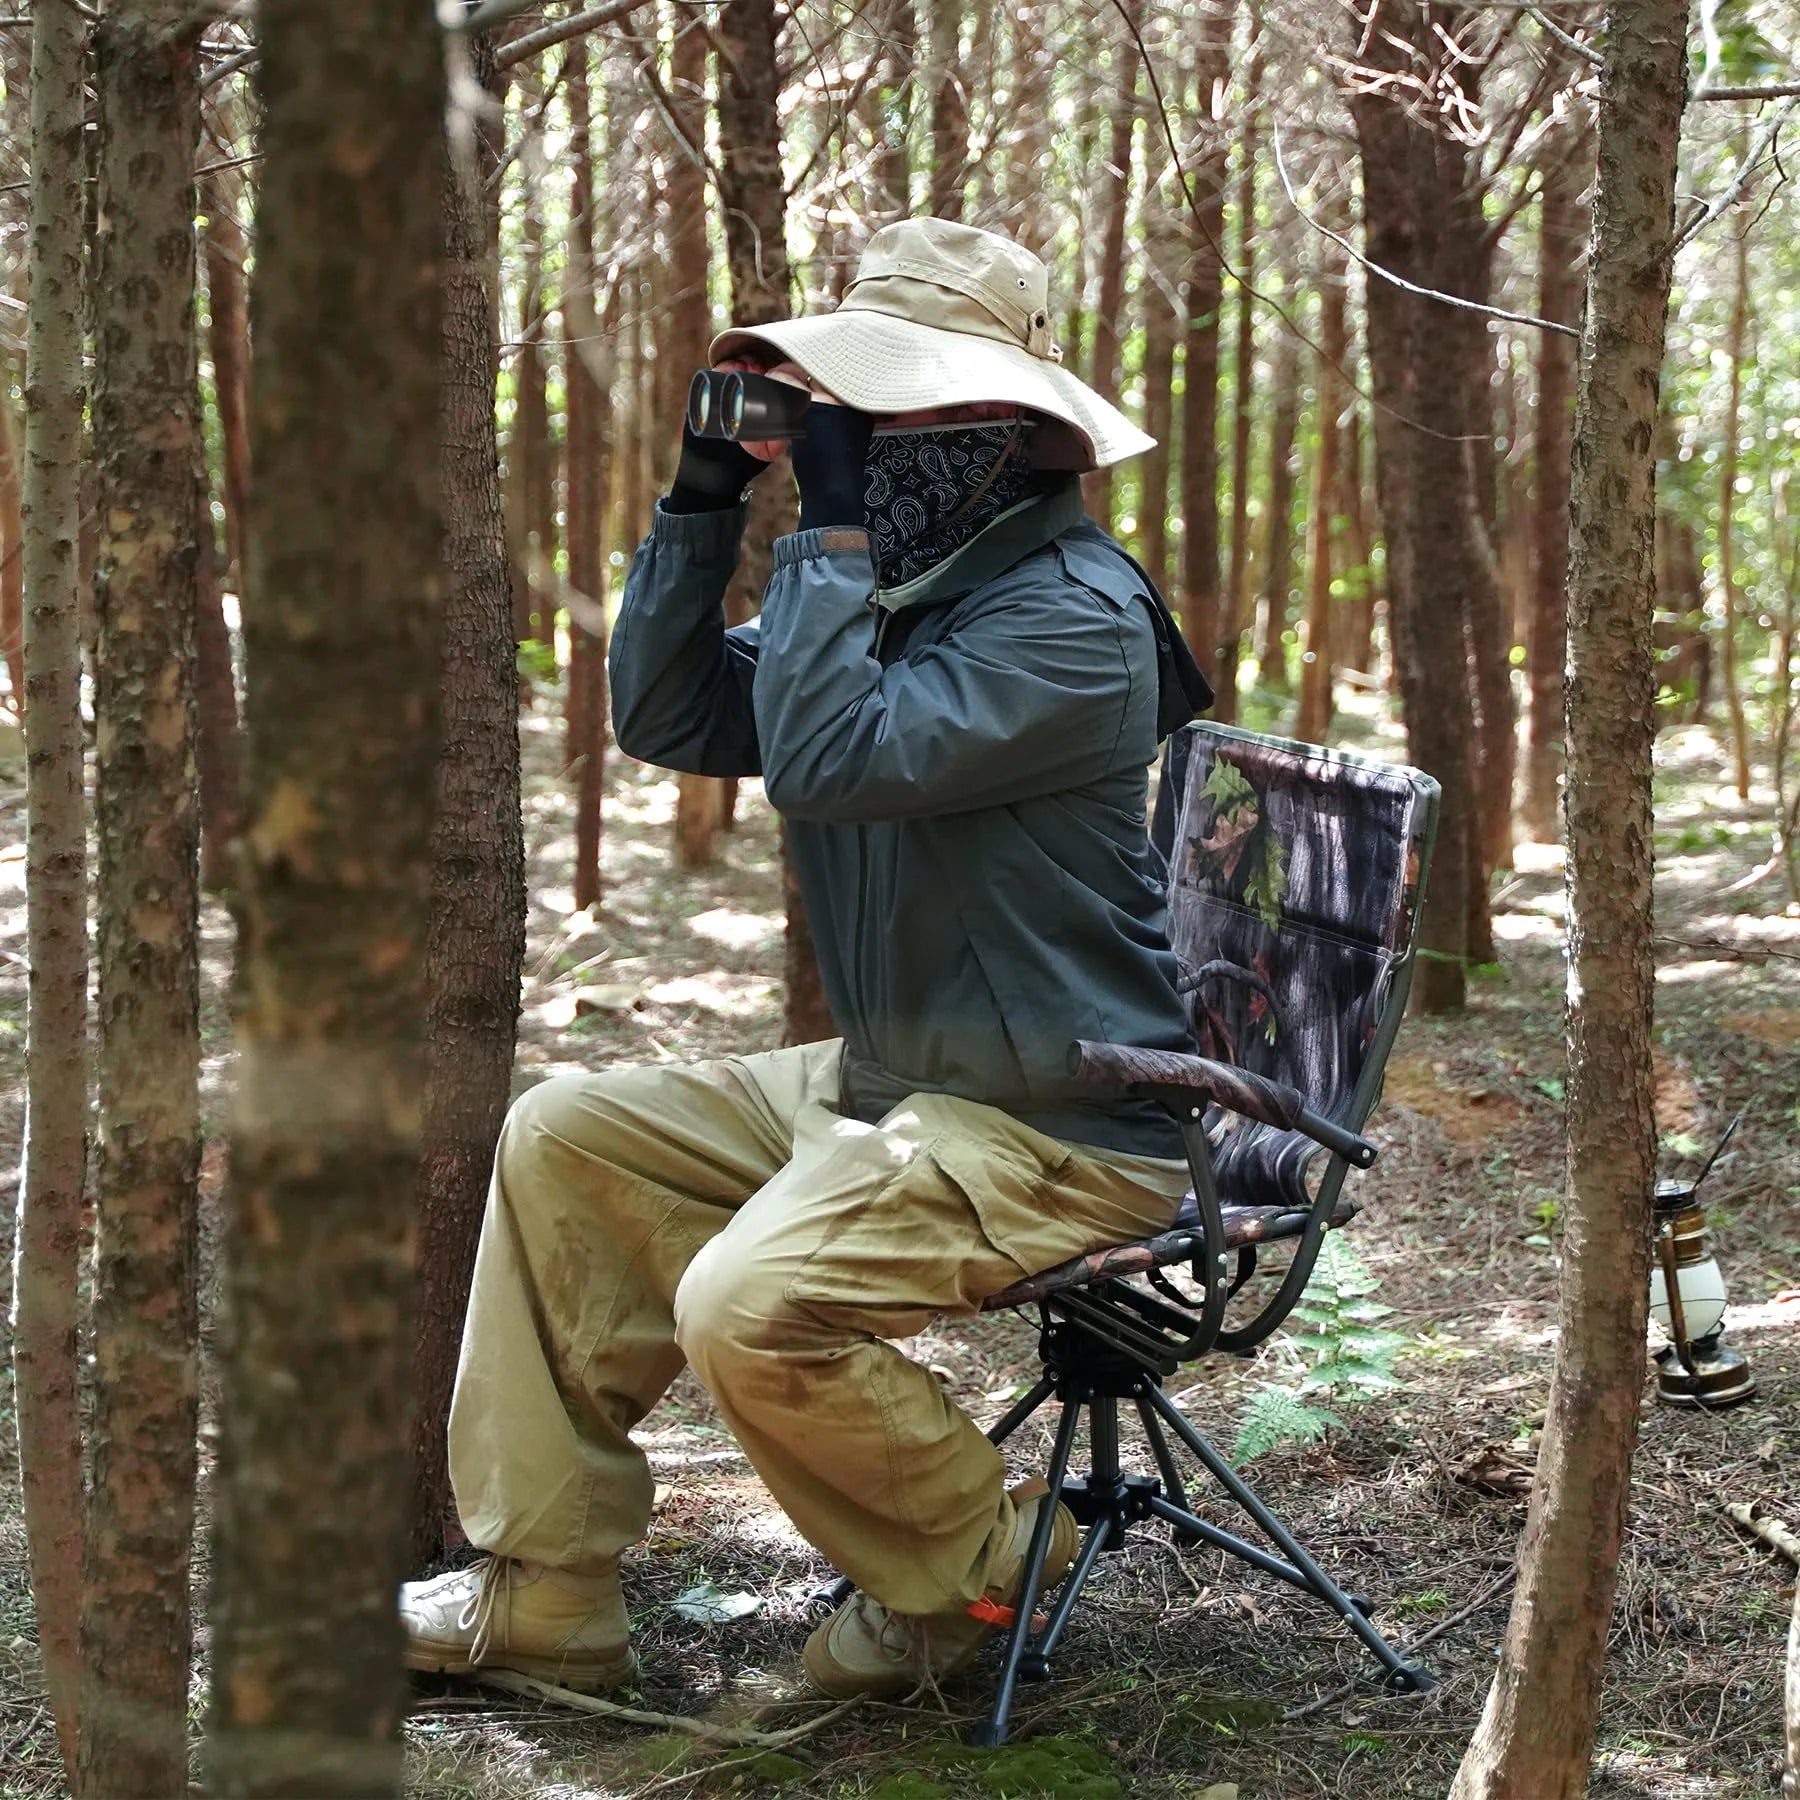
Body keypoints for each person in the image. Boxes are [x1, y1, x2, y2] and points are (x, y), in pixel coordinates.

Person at [399, 217, 1213, 1700]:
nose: (854, 443)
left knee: (743, 1303)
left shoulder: (1073, 621)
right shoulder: (914, 589)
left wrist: (827, 526)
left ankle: (977, 1588)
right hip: (896, 1078)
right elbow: (679, 719)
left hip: (1058, 1121)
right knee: (570, 1136)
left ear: (1008, 434)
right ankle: (546, 1592)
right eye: (846, 414)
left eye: (885, 417)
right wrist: (707, 505)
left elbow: (831, 762)